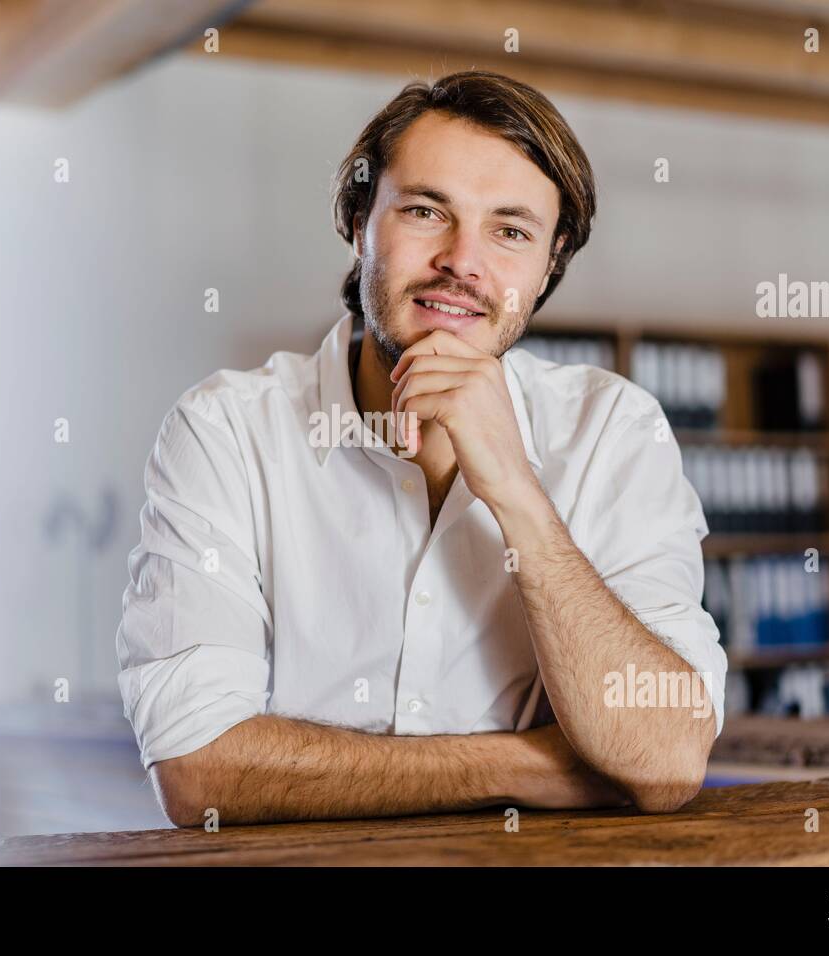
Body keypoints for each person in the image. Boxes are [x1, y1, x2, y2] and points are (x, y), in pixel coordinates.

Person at [116, 70, 726, 828]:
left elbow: (666, 757)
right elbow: (199, 770)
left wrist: (515, 490)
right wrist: (536, 765)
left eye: (511, 231)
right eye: (426, 210)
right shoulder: (225, 433)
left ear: (548, 264)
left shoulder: (616, 432)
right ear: (357, 221)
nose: (463, 263)